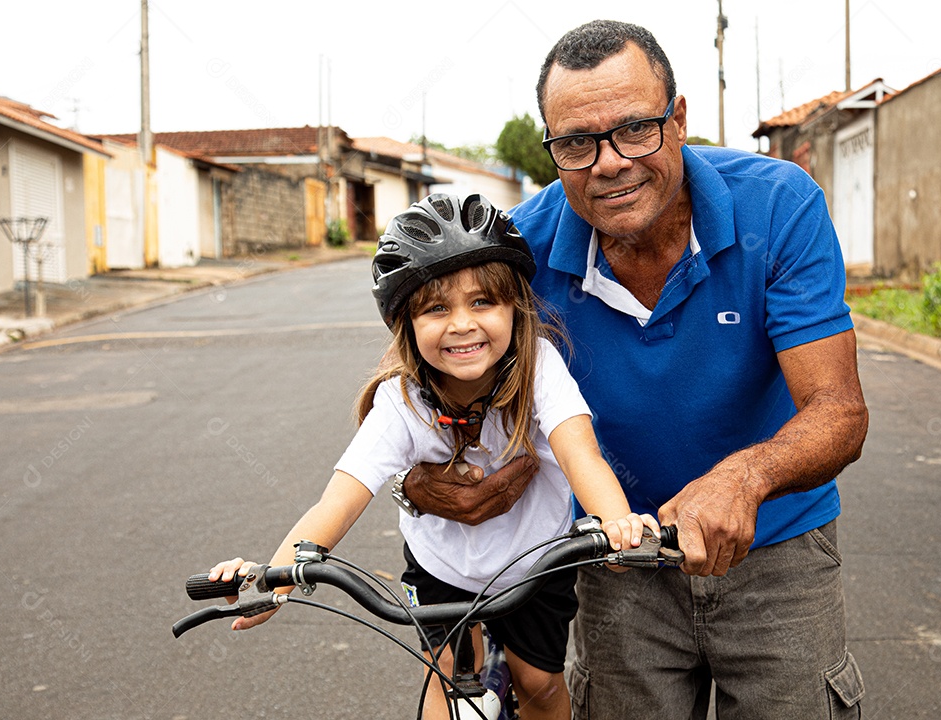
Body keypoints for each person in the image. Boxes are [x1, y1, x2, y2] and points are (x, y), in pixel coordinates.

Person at [397, 20, 870, 719]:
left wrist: (744, 478)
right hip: (613, 559)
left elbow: (839, 411)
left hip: (776, 551)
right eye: (577, 144)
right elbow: (430, 384)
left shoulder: (777, 203)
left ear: (677, 120)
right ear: (552, 149)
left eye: (635, 129)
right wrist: (420, 484)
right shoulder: (518, 253)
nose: (609, 162)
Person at [208, 192, 658, 720]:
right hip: (439, 564)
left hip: (536, 560)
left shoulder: (539, 366)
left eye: (483, 302)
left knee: (537, 683)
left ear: (516, 307)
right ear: (406, 323)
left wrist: (619, 523)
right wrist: (274, 578)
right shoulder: (399, 403)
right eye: (436, 308)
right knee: (442, 678)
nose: (462, 324)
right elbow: (335, 503)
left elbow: (583, 456)